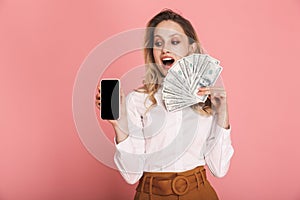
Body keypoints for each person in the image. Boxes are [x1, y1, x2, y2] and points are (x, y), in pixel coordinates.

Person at [96, 9, 234, 200]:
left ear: (191, 49)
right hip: (150, 194)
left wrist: (223, 115)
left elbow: (219, 169)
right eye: (158, 43)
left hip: (200, 193)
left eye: (175, 42)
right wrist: (119, 125)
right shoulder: (137, 101)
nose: (165, 49)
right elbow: (131, 175)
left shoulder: (206, 99)